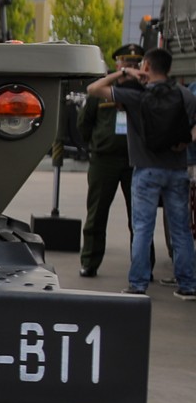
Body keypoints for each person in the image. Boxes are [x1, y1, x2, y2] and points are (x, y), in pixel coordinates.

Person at [87, 46, 196, 298]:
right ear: (169, 68)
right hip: (177, 171)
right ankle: (188, 285)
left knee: (143, 228)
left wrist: (124, 72)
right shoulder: (183, 94)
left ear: (145, 66)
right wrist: (187, 141)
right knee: (181, 230)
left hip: (146, 171)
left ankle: (138, 284)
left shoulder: (136, 95)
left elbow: (93, 89)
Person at [73, 43, 143, 277]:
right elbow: (84, 123)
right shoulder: (104, 89)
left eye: (135, 63)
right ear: (118, 64)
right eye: (127, 63)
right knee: (97, 214)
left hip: (135, 161)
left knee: (139, 217)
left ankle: (143, 264)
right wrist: (96, 145)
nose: (131, 66)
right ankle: (90, 261)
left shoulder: (143, 90)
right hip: (104, 160)